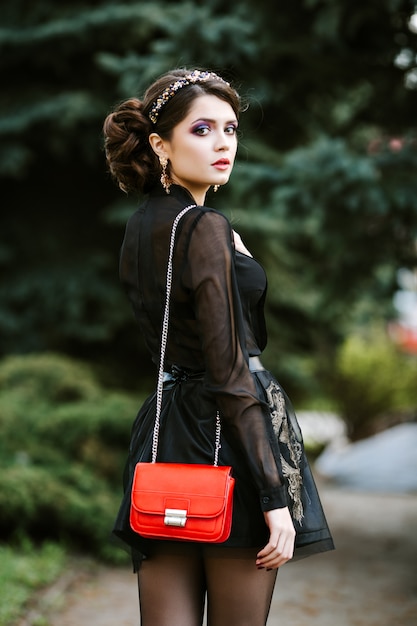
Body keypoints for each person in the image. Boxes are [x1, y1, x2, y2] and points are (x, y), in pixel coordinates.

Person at [103, 68, 334, 626]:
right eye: (202, 129)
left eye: (230, 129)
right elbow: (231, 369)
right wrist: (274, 498)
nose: (223, 144)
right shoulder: (204, 225)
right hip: (229, 440)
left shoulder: (141, 226)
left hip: (162, 434)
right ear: (160, 144)